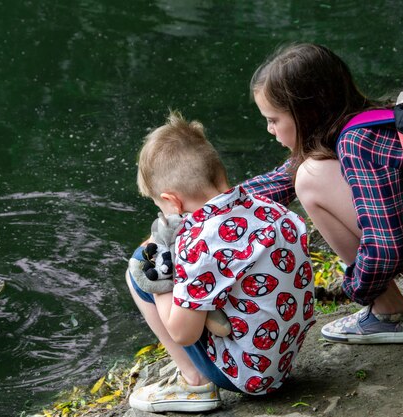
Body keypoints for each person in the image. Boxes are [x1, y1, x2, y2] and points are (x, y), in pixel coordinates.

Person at [243, 42, 403, 345]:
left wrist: (355, 288)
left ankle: (389, 315)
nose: (269, 129)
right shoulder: (373, 116)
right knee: (306, 172)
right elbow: (281, 178)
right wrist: (211, 204)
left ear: (307, 113)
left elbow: (386, 246)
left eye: (273, 119)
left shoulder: (355, 143)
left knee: (309, 180)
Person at [126, 111, 315, 413]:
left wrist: (163, 268)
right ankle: (208, 313)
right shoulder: (266, 207)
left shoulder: (197, 244)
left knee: (141, 266)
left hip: (249, 374)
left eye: (159, 205)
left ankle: (194, 381)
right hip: (283, 352)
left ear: (172, 201)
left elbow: (182, 334)